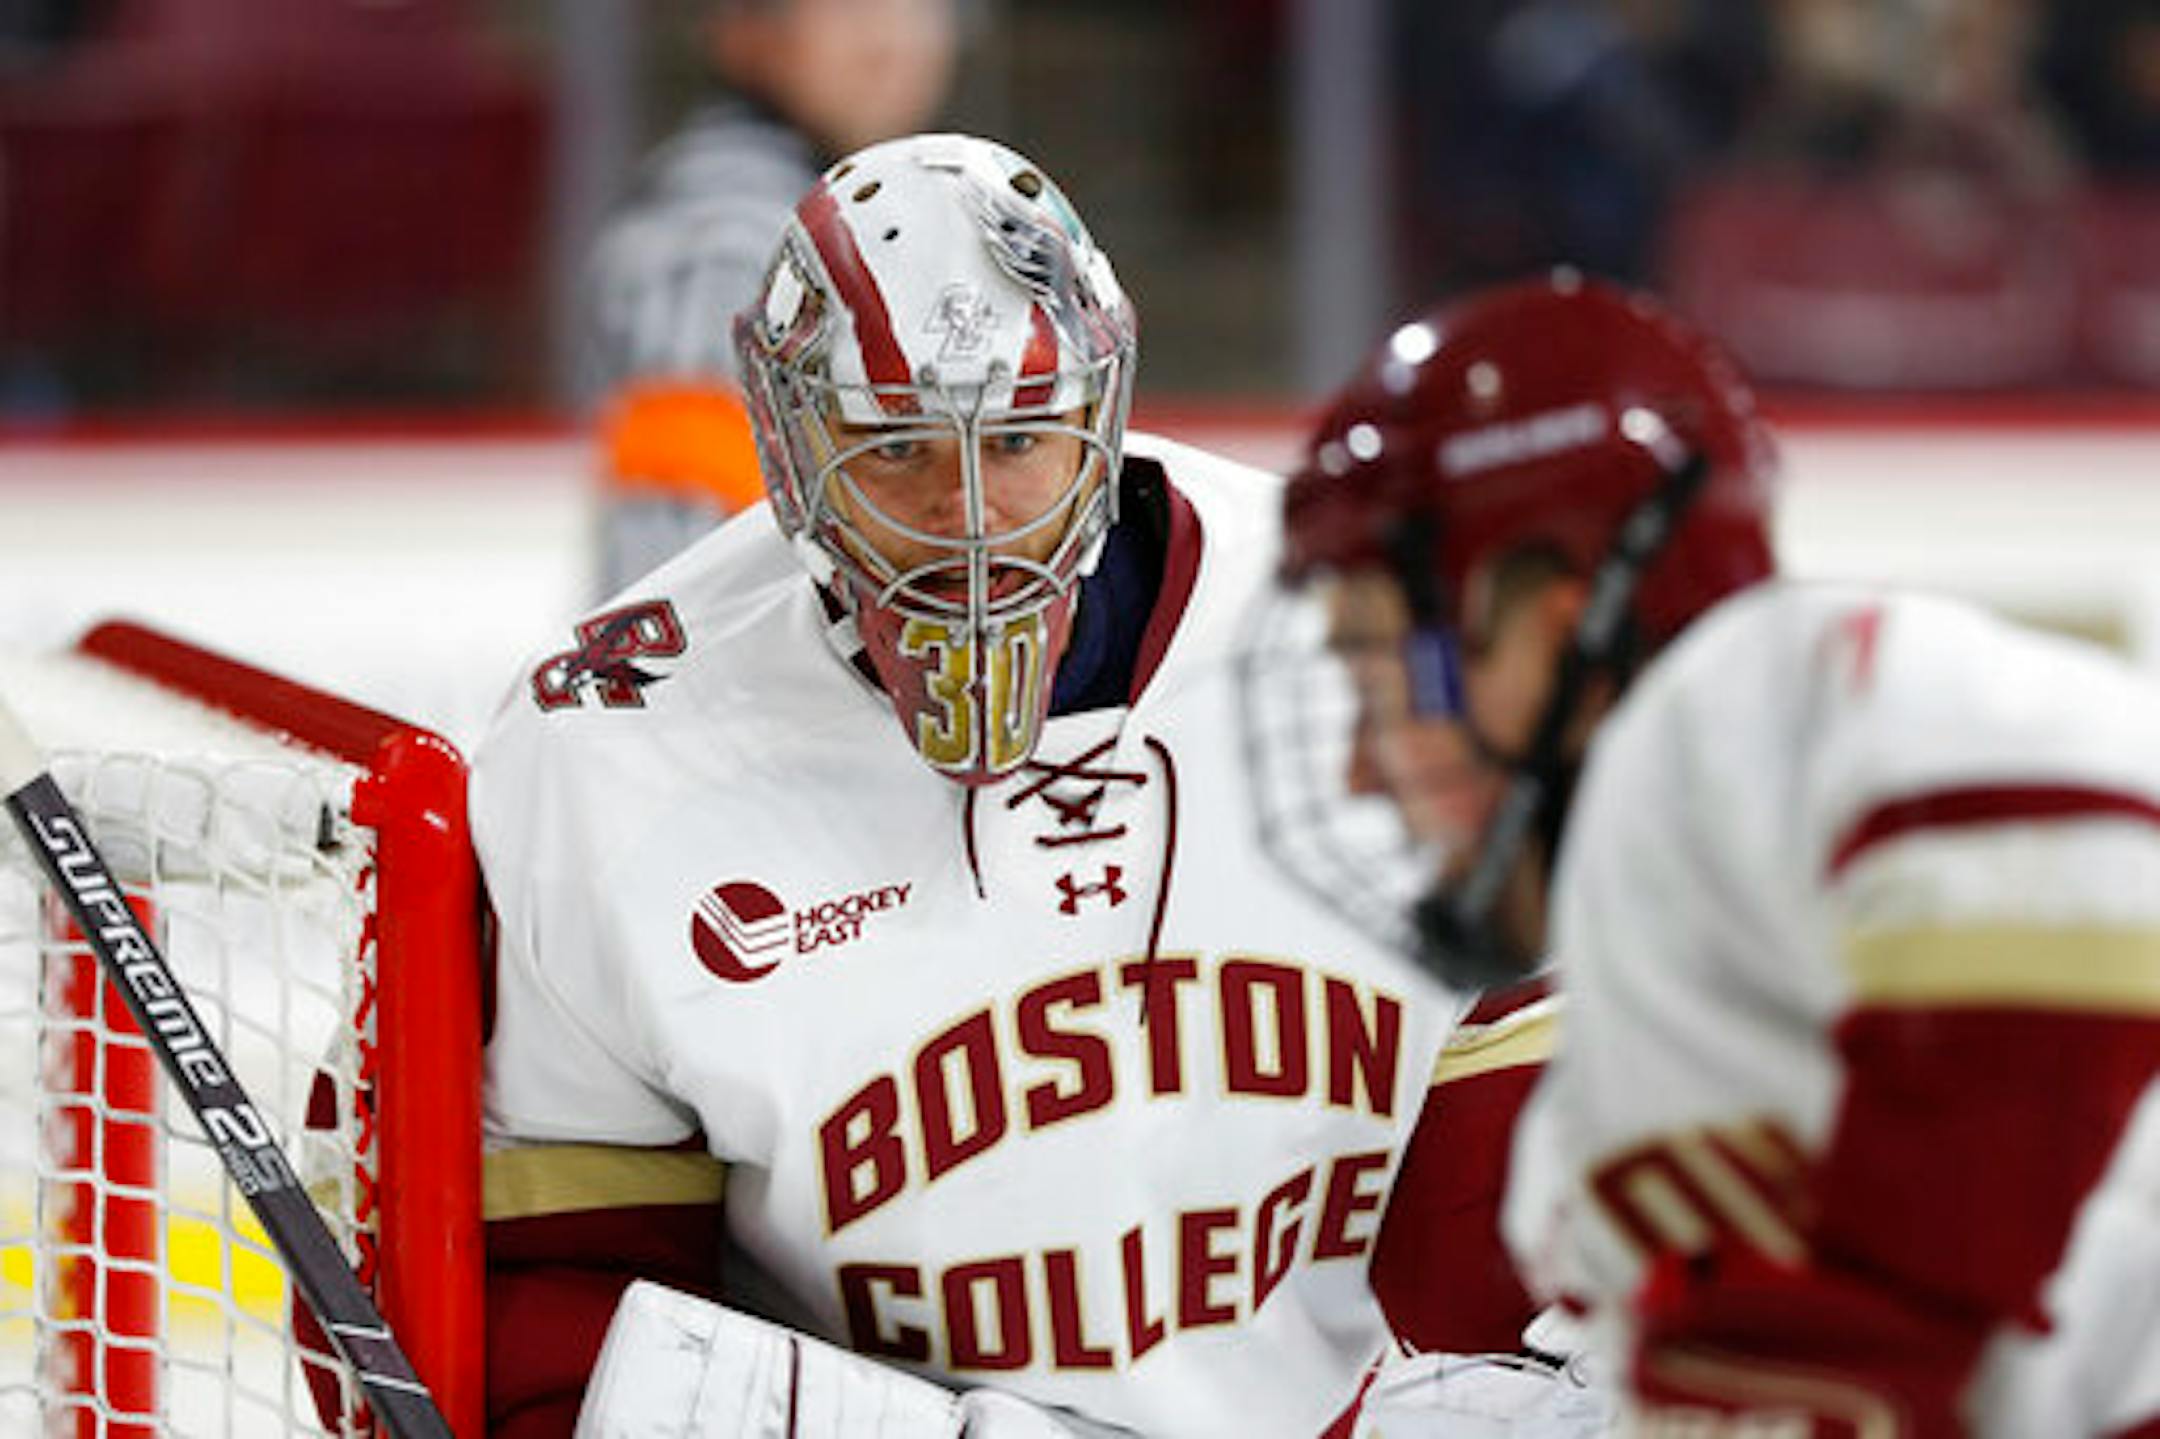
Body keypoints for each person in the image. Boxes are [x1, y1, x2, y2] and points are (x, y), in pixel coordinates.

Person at [474, 135, 1612, 1438]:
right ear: (788, 444)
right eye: (893, 445)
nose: (969, 518)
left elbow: (1531, 1218)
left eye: (1019, 435)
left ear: (1101, 407)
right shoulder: (606, 753)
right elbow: (558, 1309)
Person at [1248, 270, 2160, 1434]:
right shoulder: (1589, 1134)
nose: (1360, 770)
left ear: (1552, 625)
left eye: (1384, 674)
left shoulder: (1765, 704)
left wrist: (1890, 1322)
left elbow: (2095, 866)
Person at [585, 0, 960, 594]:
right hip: (743, 680)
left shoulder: (873, 211)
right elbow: (667, 567)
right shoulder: (722, 236)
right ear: (743, 33)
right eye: (846, 11)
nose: (889, 39)